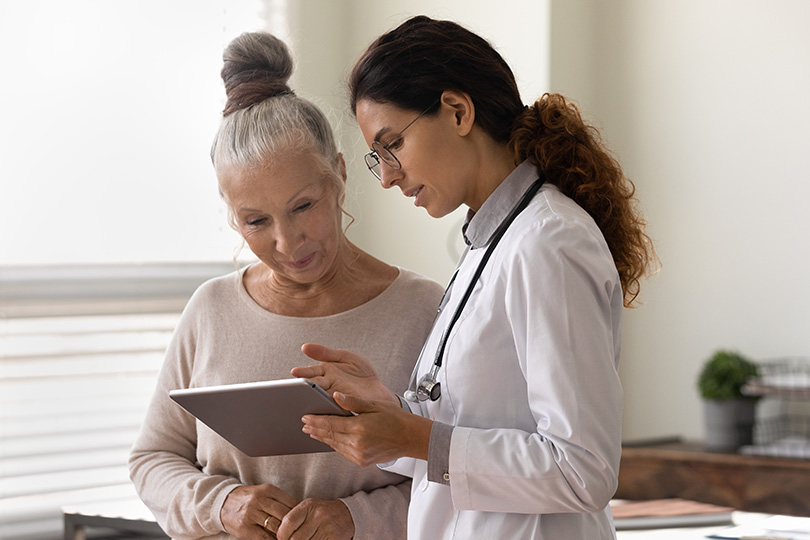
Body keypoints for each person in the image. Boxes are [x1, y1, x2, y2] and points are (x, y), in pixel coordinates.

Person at [292, 15, 657, 540]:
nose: (389, 174)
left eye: (392, 143)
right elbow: (477, 430)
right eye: (378, 158)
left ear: (458, 111)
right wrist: (390, 415)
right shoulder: (491, 243)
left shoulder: (547, 243)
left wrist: (417, 437)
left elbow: (583, 470)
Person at [128, 31, 444, 540]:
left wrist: (354, 520)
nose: (287, 241)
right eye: (256, 221)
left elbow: (456, 474)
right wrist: (222, 504)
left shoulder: (426, 310)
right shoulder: (210, 310)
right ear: (233, 218)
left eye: (303, 206)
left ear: (339, 175)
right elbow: (153, 460)